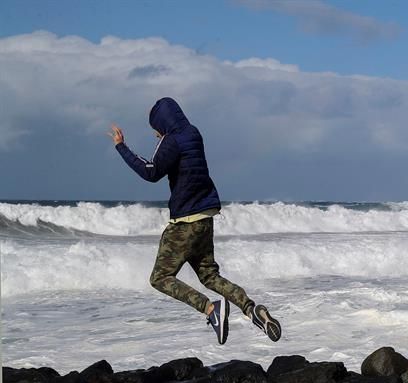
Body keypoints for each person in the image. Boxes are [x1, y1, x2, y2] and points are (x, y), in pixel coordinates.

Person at [109, 97, 281, 345]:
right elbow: (181, 160)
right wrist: (164, 140)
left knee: (160, 278)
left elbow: (151, 172)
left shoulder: (172, 139)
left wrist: (121, 147)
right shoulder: (192, 133)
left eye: (155, 127)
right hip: (205, 218)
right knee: (210, 276)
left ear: (161, 122)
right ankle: (252, 309)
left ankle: (211, 310)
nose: (156, 133)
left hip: (186, 221)